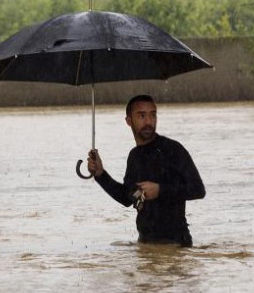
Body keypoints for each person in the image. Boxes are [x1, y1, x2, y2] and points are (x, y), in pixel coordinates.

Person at [87, 95, 206, 247]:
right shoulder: (134, 156)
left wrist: (160, 190)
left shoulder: (172, 149)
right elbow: (127, 198)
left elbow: (198, 190)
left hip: (175, 245)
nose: (149, 122)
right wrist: (100, 174)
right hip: (145, 244)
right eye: (142, 116)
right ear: (129, 121)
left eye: (153, 115)